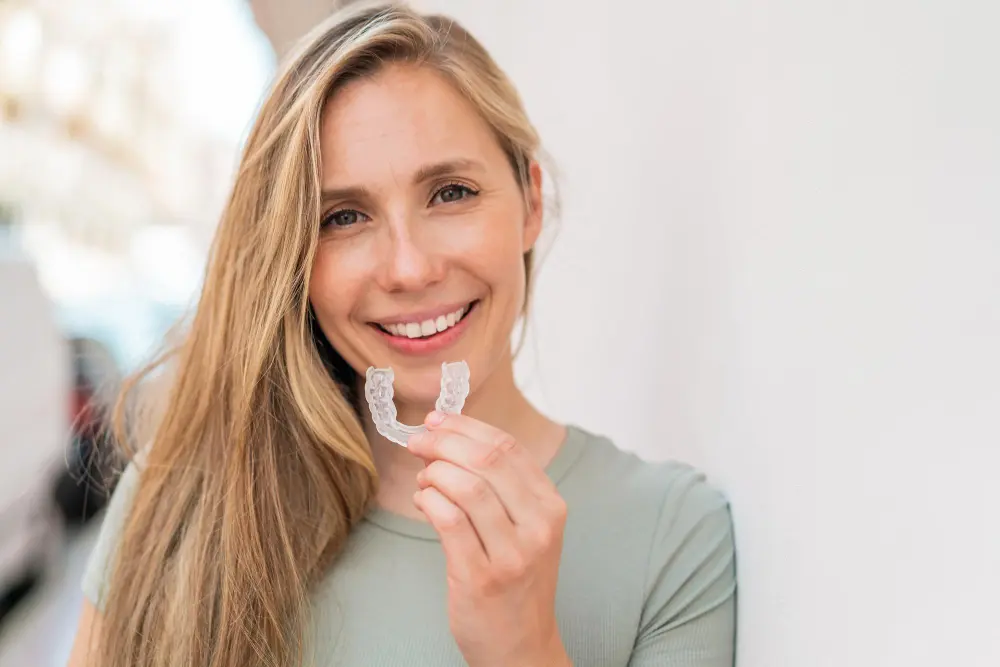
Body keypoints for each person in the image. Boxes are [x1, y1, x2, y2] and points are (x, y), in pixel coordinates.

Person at [68, 3, 736, 666]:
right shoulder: (178, 503)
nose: (410, 268)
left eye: (451, 193)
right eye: (345, 216)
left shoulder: (674, 540)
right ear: (294, 258)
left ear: (530, 203)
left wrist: (524, 649)